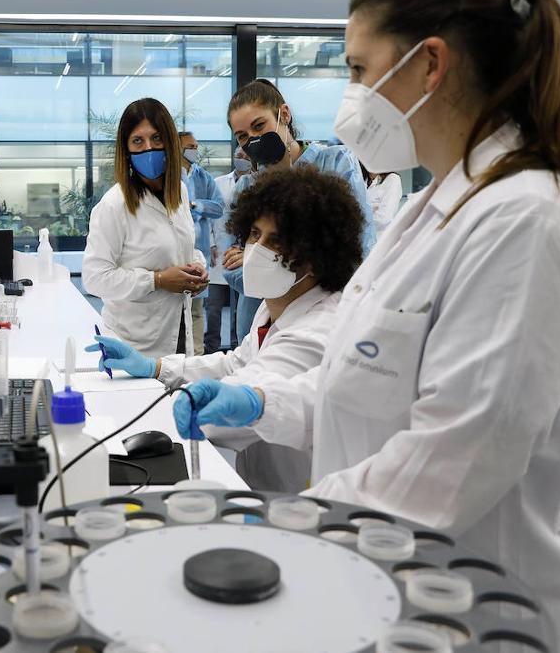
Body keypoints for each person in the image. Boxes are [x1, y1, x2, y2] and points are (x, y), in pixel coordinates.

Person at [173, 0, 560, 651]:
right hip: (392, 576)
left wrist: (293, 525)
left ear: (429, 65)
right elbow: (364, 384)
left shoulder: (527, 220)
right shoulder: (433, 205)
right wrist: (264, 403)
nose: (351, 93)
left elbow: (457, 454)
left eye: (357, 68)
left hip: (471, 602)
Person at [86, 165, 365, 490]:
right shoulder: (275, 305)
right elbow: (237, 363)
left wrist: (136, 414)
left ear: (316, 256)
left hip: (299, 496)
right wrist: (156, 367)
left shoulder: (318, 330)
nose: (257, 250)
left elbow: (236, 403)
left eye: (276, 242)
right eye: (255, 235)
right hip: (258, 482)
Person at [221, 79, 377, 342]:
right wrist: (297, 262)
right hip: (259, 321)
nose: (253, 140)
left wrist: (259, 260)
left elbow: (357, 249)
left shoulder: (335, 162)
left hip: (324, 318)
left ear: (283, 114)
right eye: (243, 136)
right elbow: (232, 267)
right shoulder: (246, 186)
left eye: (259, 126)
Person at [82, 98, 208, 359]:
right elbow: (94, 278)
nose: (149, 148)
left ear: (170, 142)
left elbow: (181, 247)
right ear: (126, 150)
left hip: (178, 331)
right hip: (134, 344)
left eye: (157, 138)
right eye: (138, 141)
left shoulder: (179, 193)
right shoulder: (114, 205)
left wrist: (196, 267)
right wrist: (158, 280)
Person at [180, 130, 224, 356]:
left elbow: (218, 207)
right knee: (175, 310)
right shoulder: (167, 176)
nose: (195, 150)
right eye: (191, 146)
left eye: (196, 146)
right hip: (176, 253)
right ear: (178, 148)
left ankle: (195, 357)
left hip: (200, 252)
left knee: (197, 310)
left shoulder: (203, 177)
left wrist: (195, 205)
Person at [204, 148, 251, 352]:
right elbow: (208, 217)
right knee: (213, 308)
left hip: (243, 256)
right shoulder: (218, 183)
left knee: (239, 310)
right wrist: (212, 243)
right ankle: (210, 349)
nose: (241, 160)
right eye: (238, 156)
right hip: (219, 255)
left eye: (246, 157)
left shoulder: (256, 184)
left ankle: (236, 349)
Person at [362, 162, 403, 238]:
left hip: (379, 239)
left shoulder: (392, 179)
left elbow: (384, 217)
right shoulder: (365, 182)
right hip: (363, 238)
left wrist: (361, 219)